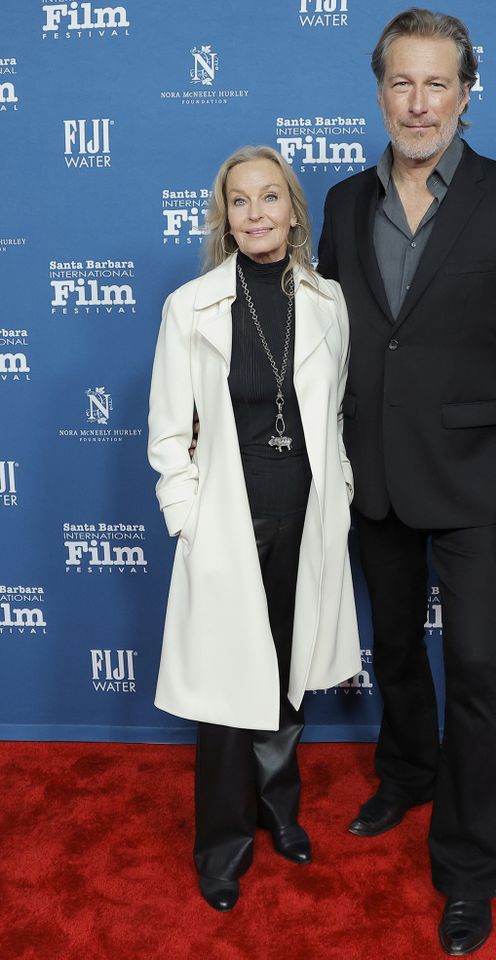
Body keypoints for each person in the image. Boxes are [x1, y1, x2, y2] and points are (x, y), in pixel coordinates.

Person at [317, 9, 496, 956]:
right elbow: (331, 343)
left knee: (470, 666)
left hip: (481, 479)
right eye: (400, 83)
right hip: (371, 473)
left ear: (467, 93)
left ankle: (467, 868)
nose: (417, 103)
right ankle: (405, 773)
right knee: (392, 646)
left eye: (437, 84)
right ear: (379, 91)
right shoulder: (343, 204)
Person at [148, 145, 361, 912]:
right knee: (227, 688)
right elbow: (169, 433)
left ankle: (280, 811)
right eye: (240, 201)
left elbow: (334, 414)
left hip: (306, 516)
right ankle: (223, 846)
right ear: (225, 216)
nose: (256, 214)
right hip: (228, 524)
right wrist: (189, 523)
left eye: (270, 198)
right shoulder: (191, 306)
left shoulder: (329, 302)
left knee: (288, 676)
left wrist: (336, 491)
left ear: (293, 210)